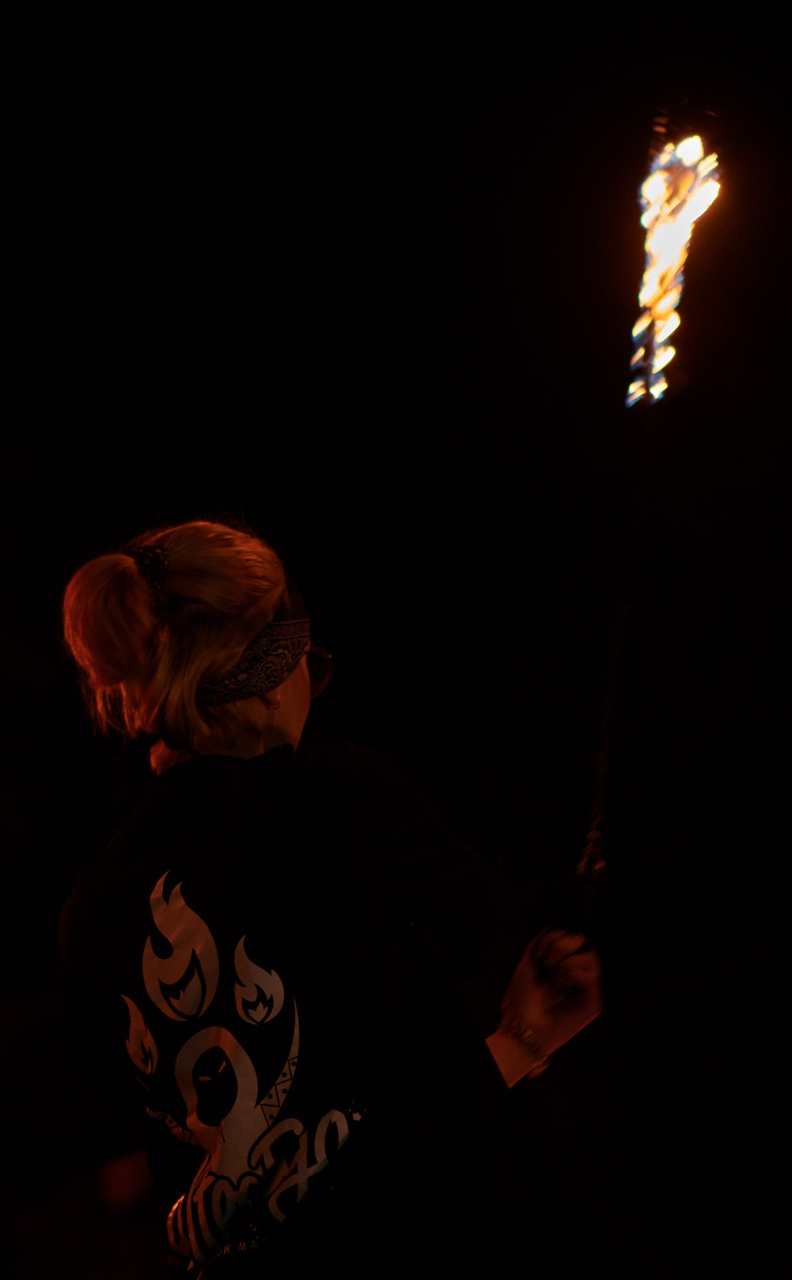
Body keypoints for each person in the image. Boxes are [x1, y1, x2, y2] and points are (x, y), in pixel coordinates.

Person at [57, 519, 601, 1274]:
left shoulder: (92, 913)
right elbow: (480, 957)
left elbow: (267, 1164)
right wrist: (527, 1038)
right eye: (309, 663)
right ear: (271, 683)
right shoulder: (342, 798)